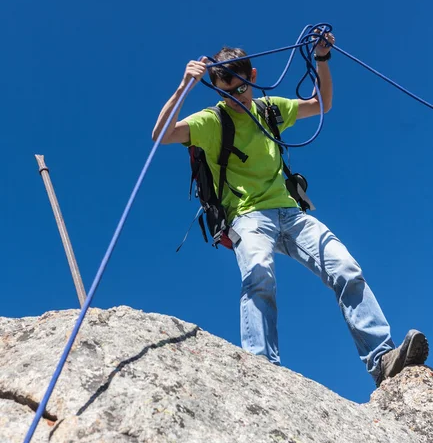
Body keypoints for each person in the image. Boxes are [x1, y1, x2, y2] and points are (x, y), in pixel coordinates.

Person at [152, 33, 428, 386]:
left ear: (252, 77)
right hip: (247, 217)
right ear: (216, 87)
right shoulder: (211, 120)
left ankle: (383, 358)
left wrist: (322, 59)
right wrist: (184, 87)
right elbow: (161, 134)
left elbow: (321, 103)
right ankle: (263, 369)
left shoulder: (269, 109)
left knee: (345, 267)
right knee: (258, 274)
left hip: (290, 212)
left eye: (239, 89)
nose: (234, 99)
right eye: (224, 91)